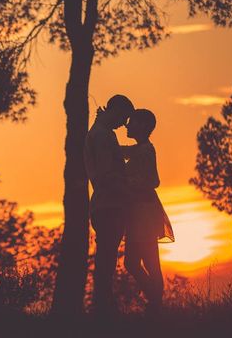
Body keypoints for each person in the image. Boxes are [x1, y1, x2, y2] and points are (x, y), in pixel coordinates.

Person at [84, 94, 134, 316]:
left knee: (106, 256)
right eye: (123, 117)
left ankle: (104, 305)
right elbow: (107, 174)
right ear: (114, 110)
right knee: (106, 257)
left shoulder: (99, 134)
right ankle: (104, 307)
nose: (124, 124)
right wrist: (129, 191)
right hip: (109, 204)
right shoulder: (102, 136)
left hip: (105, 204)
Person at [121, 109, 174, 315]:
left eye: (131, 122)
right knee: (134, 262)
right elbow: (119, 151)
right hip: (139, 211)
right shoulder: (140, 150)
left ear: (142, 126)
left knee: (148, 262)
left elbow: (154, 180)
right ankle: (155, 305)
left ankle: (155, 306)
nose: (127, 125)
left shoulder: (145, 150)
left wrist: (128, 183)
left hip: (144, 211)